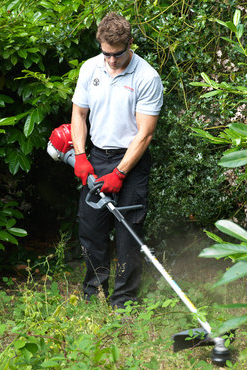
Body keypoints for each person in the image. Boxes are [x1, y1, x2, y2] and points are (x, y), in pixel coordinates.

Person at [70, 12, 163, 309]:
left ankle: (123, 301)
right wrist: (82, 156)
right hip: (96, 156)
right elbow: (79, 114)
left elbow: (145, 134)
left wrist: (120, 173)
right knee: (91, 228)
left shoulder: (146, 77)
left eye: (118, 53)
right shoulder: (89, 69)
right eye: (106, 53)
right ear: (100, 44)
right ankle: (94, 294)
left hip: (131, 162)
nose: (111, 60)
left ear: (130, 44)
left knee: (128, 235)